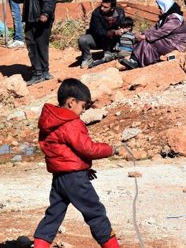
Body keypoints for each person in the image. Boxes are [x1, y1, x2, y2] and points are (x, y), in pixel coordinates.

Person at [33, 79, 120, 248]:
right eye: (83, 106)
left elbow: (64, 152)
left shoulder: (50, 122)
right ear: (71, 102)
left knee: (54, 215)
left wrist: (84, 167)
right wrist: (111, 150)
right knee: (95, 213)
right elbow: (87, 149)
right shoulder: (71, 122)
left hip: (59, 178)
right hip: (74, 178)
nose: (83, 111)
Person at [8, 0, 56, 86]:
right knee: (32, 46)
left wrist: (45, 13)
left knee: (41, 45)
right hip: (30, 19)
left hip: (40, 20)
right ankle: (39, 72)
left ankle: (42, 72)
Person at [120, 0, 186, 69]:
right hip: (167, 40)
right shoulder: (165, 17)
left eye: (160, 8)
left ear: (166, 7)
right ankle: (135, 59)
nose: (159, 10)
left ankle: (137, 61)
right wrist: (142, 34)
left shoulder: (175, 18)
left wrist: (145, 37)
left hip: (175, 43)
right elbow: (154, 29)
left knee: (148, 41)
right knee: (143, 39)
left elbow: (162, 31)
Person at [78, 0, 125, 69]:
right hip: (98, 39)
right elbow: (99, 32)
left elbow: (123, 25)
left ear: (112, 8)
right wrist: (113, 32)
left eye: (106, 7)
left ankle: (113, 52)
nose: (102, 8)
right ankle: (87, 58)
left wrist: (122, 30)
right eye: (102, 6)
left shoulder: (120, 12)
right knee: (83, 40)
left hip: (113, 40)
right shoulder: (96, 13)